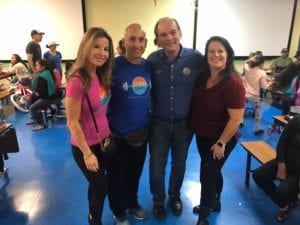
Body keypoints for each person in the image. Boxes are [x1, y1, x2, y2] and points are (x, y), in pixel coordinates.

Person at [147, 17, 204, 220]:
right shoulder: (152, 61)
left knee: (179, 164)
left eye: (173, 32)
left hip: (184, 126)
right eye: (163, 35)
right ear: (158, 39)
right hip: (158, 125)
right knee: (156, 166)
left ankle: (174, 196)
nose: (169, 38)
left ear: (180, 32)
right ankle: (158, 201)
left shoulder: (196, 59)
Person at [191, 36, 245, 225]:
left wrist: (221, 143)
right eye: (211, 51)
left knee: (207, 173)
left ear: (228, 54)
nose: (216, 55)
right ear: (206, 55)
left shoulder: (233, 83)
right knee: (213, 170)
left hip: (222, 138)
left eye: (220, 51)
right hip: (203, 135)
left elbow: (236, 119)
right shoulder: (202, 76)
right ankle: (216, 202)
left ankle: (204, 215)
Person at [65, 27, 114, 225]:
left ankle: (92, 214)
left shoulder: (99, 75)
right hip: (86, 146)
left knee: (95, 185)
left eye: (106, 48)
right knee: (102, 187)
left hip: (104, 142)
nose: (102, 53)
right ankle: (95, 221)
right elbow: (72, 122)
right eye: (96, 46)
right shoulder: (77, 81)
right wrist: (87, 153)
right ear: (85, 47)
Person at [107, 23, 151, 225]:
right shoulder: (111, 67)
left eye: (141, 39)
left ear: (146, 43)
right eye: (132, 39)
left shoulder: (148, 67)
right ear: (124, 42)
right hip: (117, 135)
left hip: (141, 134)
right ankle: (119, 212)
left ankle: (132, 204)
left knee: (134, 174)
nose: (136, 44)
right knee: (117, 177)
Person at [253, 115, 300, 222]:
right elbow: (281, 144)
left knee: (282, 192)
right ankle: (285, 203)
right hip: (284, 161)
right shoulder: (297, 120)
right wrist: (281, 165)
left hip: (297, 172)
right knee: (258, 175)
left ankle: (285, 204)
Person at [243, 53, 271, 135]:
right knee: (258, 111)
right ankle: (256, 129)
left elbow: (247, 62)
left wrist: (252, 59)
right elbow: (264, 87)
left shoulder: (246, 67)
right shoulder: (262, 73)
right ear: (261, 63)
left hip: (243, 93)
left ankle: (239, 125)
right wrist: (270, 83)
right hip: (253, 96)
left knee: (241, 110)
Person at [25, 59, 55, 131]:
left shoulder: (42, 77)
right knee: (29, 102)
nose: (36, 67)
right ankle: (35, 118)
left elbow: (39, 93)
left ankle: (41, 124)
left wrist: (32, 93)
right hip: (44, 96)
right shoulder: (44, 74)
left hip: (47, 99)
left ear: (43, 67)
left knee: (32, 108)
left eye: (37, 65)